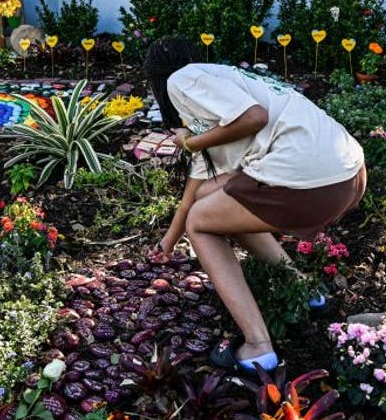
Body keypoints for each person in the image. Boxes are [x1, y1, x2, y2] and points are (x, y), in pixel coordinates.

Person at [144, 38, 366, 372]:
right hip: (348, 177)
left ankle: (258, 346)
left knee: (201, 224)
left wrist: (189, 142)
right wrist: (169, 242)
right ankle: (307, 292)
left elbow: (254, 117)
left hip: (309, 182)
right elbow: (197, 185)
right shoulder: (227, 83)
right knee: (210, 202)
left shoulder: (182, 77)